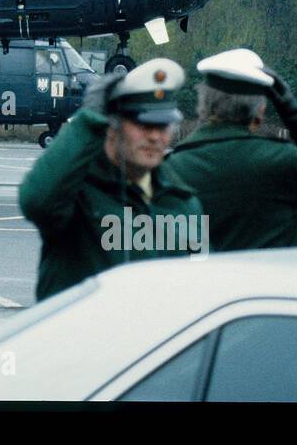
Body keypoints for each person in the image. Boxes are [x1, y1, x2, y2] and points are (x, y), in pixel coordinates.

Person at [18, 58, 206, 302]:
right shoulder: (78, 194)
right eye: (143, 124)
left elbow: (200, 288)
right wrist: (87, 120)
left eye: (162, 126)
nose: (154, 137)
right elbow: (36, 201)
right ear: (112, 127)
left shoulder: (181, 203)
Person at [166, 48, 297, 252]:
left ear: (203, 105)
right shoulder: (282, 162)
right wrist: (290, 108)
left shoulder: (172, 169)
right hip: (269, 283)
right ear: (260, 110)